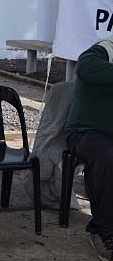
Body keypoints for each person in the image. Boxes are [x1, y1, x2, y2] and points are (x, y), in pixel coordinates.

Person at [65, 35, 113, 261]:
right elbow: (85, 67)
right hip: (84, 132)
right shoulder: (103, 50)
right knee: (105, 155)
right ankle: (102, 230)